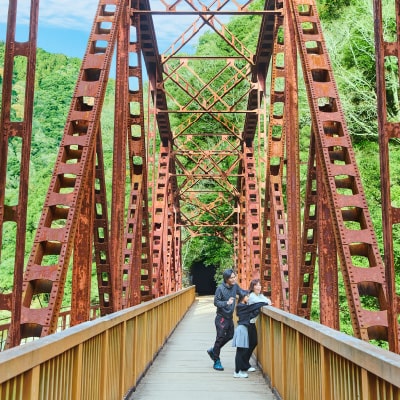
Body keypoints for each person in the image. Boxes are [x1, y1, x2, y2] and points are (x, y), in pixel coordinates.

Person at [207, 268, 246, 371]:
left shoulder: (235, 286)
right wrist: (226, 303)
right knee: (219, 338)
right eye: (231, 278)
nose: (234, 279)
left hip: (229, 318)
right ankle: (216, 361)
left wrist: (255, 293)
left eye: (234, 277)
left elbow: (242, 292)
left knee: (230, 335)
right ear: (226, 279)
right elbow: (216, 302)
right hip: (221, 318)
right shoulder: (220, 288)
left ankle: (214, 350)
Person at [232, 290, 268, 378]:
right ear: (242, 297)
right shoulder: (241, 306)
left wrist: (259, 307)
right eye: (247, 296)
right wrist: (265, 303)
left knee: (241, 351)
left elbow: (251, 314)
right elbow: (253, 306)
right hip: (242, 329)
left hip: (243, 329)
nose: (248, 298)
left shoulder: (242, 306)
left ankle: (239, 370)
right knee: (240, 351)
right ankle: (237, 372)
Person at [245, 279, 272, 370]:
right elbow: (261, 303)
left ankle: (245, 363)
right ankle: (244, 364)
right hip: (248, 322)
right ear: (252, 287)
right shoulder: (252, 296)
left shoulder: (260, 295)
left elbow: (267, 301)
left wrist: (266, 301)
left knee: (252, 342)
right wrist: (266, 302)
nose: (258, 287)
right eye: (256, 285)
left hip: (251, 322)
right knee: (251, 343)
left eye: (260, 285)